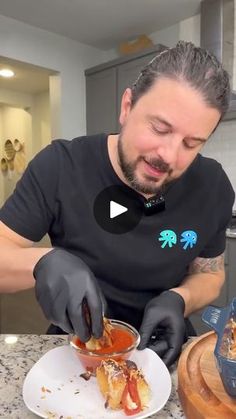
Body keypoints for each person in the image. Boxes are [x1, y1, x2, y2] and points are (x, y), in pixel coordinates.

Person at [0, 41, 234, 367]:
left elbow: (211, 275)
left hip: (163, 350)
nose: (168, 156)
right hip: (76, 348)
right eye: (159, 128)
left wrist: (179, 299)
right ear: (127, 106)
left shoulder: (213, 186)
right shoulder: (60, 165)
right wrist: (41, 263)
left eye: (190, 144)